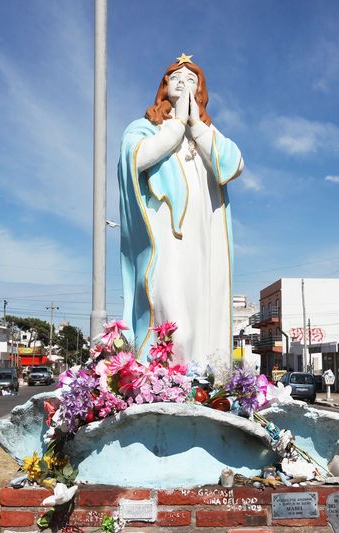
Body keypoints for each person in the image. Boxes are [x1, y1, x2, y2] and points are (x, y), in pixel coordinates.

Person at [117, 53, 244, 369]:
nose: (184, 83)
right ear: (163, 88)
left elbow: (234, 164)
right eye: (176, 78)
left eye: (191, 80)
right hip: (165, 238)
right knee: (173, 317)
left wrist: (196, 126)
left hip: (202, 242)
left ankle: (201, 379)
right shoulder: (146, 127)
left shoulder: (205, 133)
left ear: (200, 90)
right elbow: (134, 159)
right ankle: (167, 380)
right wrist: (174, 127)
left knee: (201, 314)